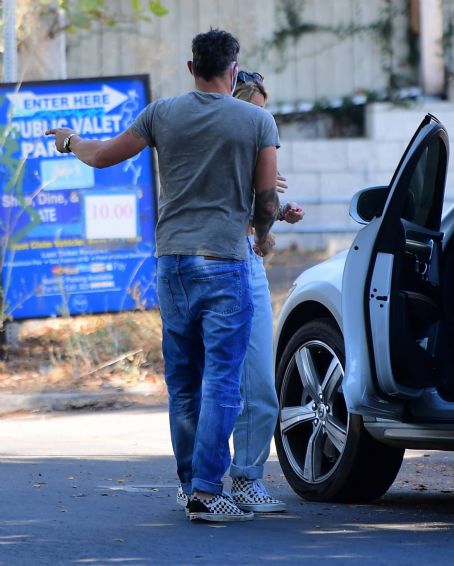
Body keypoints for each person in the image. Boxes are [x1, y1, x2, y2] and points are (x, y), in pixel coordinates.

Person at [46, 29, 280, 523]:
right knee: (222, 380)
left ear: (192, 67)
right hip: (224, 261)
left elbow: (104, 155)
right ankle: (208, 490)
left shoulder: (161, 114)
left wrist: (70, 141)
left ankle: (188, 484)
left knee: (184, 380)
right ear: (234, 70)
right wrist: (263, 236)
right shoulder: (257, 119)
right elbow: (266, 199)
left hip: (171, 261)